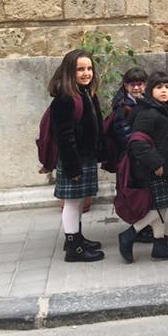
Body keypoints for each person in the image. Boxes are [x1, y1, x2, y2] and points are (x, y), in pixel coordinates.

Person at [116, 71, 168, 263]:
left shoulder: (162, 109)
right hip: (153, 169)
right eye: (158, 87)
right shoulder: (149, 112)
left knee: (161, 208)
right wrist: (157, 163)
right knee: (158, 207)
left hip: (161, 167)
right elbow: (138, 143)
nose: (164, 91)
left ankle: (159, 245)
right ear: (150, 90)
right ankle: (130, 233)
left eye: (167, 87)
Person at [48, 49, 105, 262]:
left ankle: (76, 237)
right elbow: (64, 137)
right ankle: (74, 248)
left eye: (89, 68)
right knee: (71, 203)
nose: (86, 73)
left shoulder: (86, 93)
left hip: (85, 157)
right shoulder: (65, 99)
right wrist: (73, 167)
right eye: (80, 69)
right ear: (69, 72)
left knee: (78, 201)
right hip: (75, 159)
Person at [108, 66, 156, 244]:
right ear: (125, 86)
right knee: (135, 194)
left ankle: (145, 227)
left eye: (140, 84)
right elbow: (125, 136)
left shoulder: (149, 102)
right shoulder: (122, 107)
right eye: (132, 84)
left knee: (147, 193)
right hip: (131, 158)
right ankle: (139, 227)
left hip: (146, 156)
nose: (136, 88)